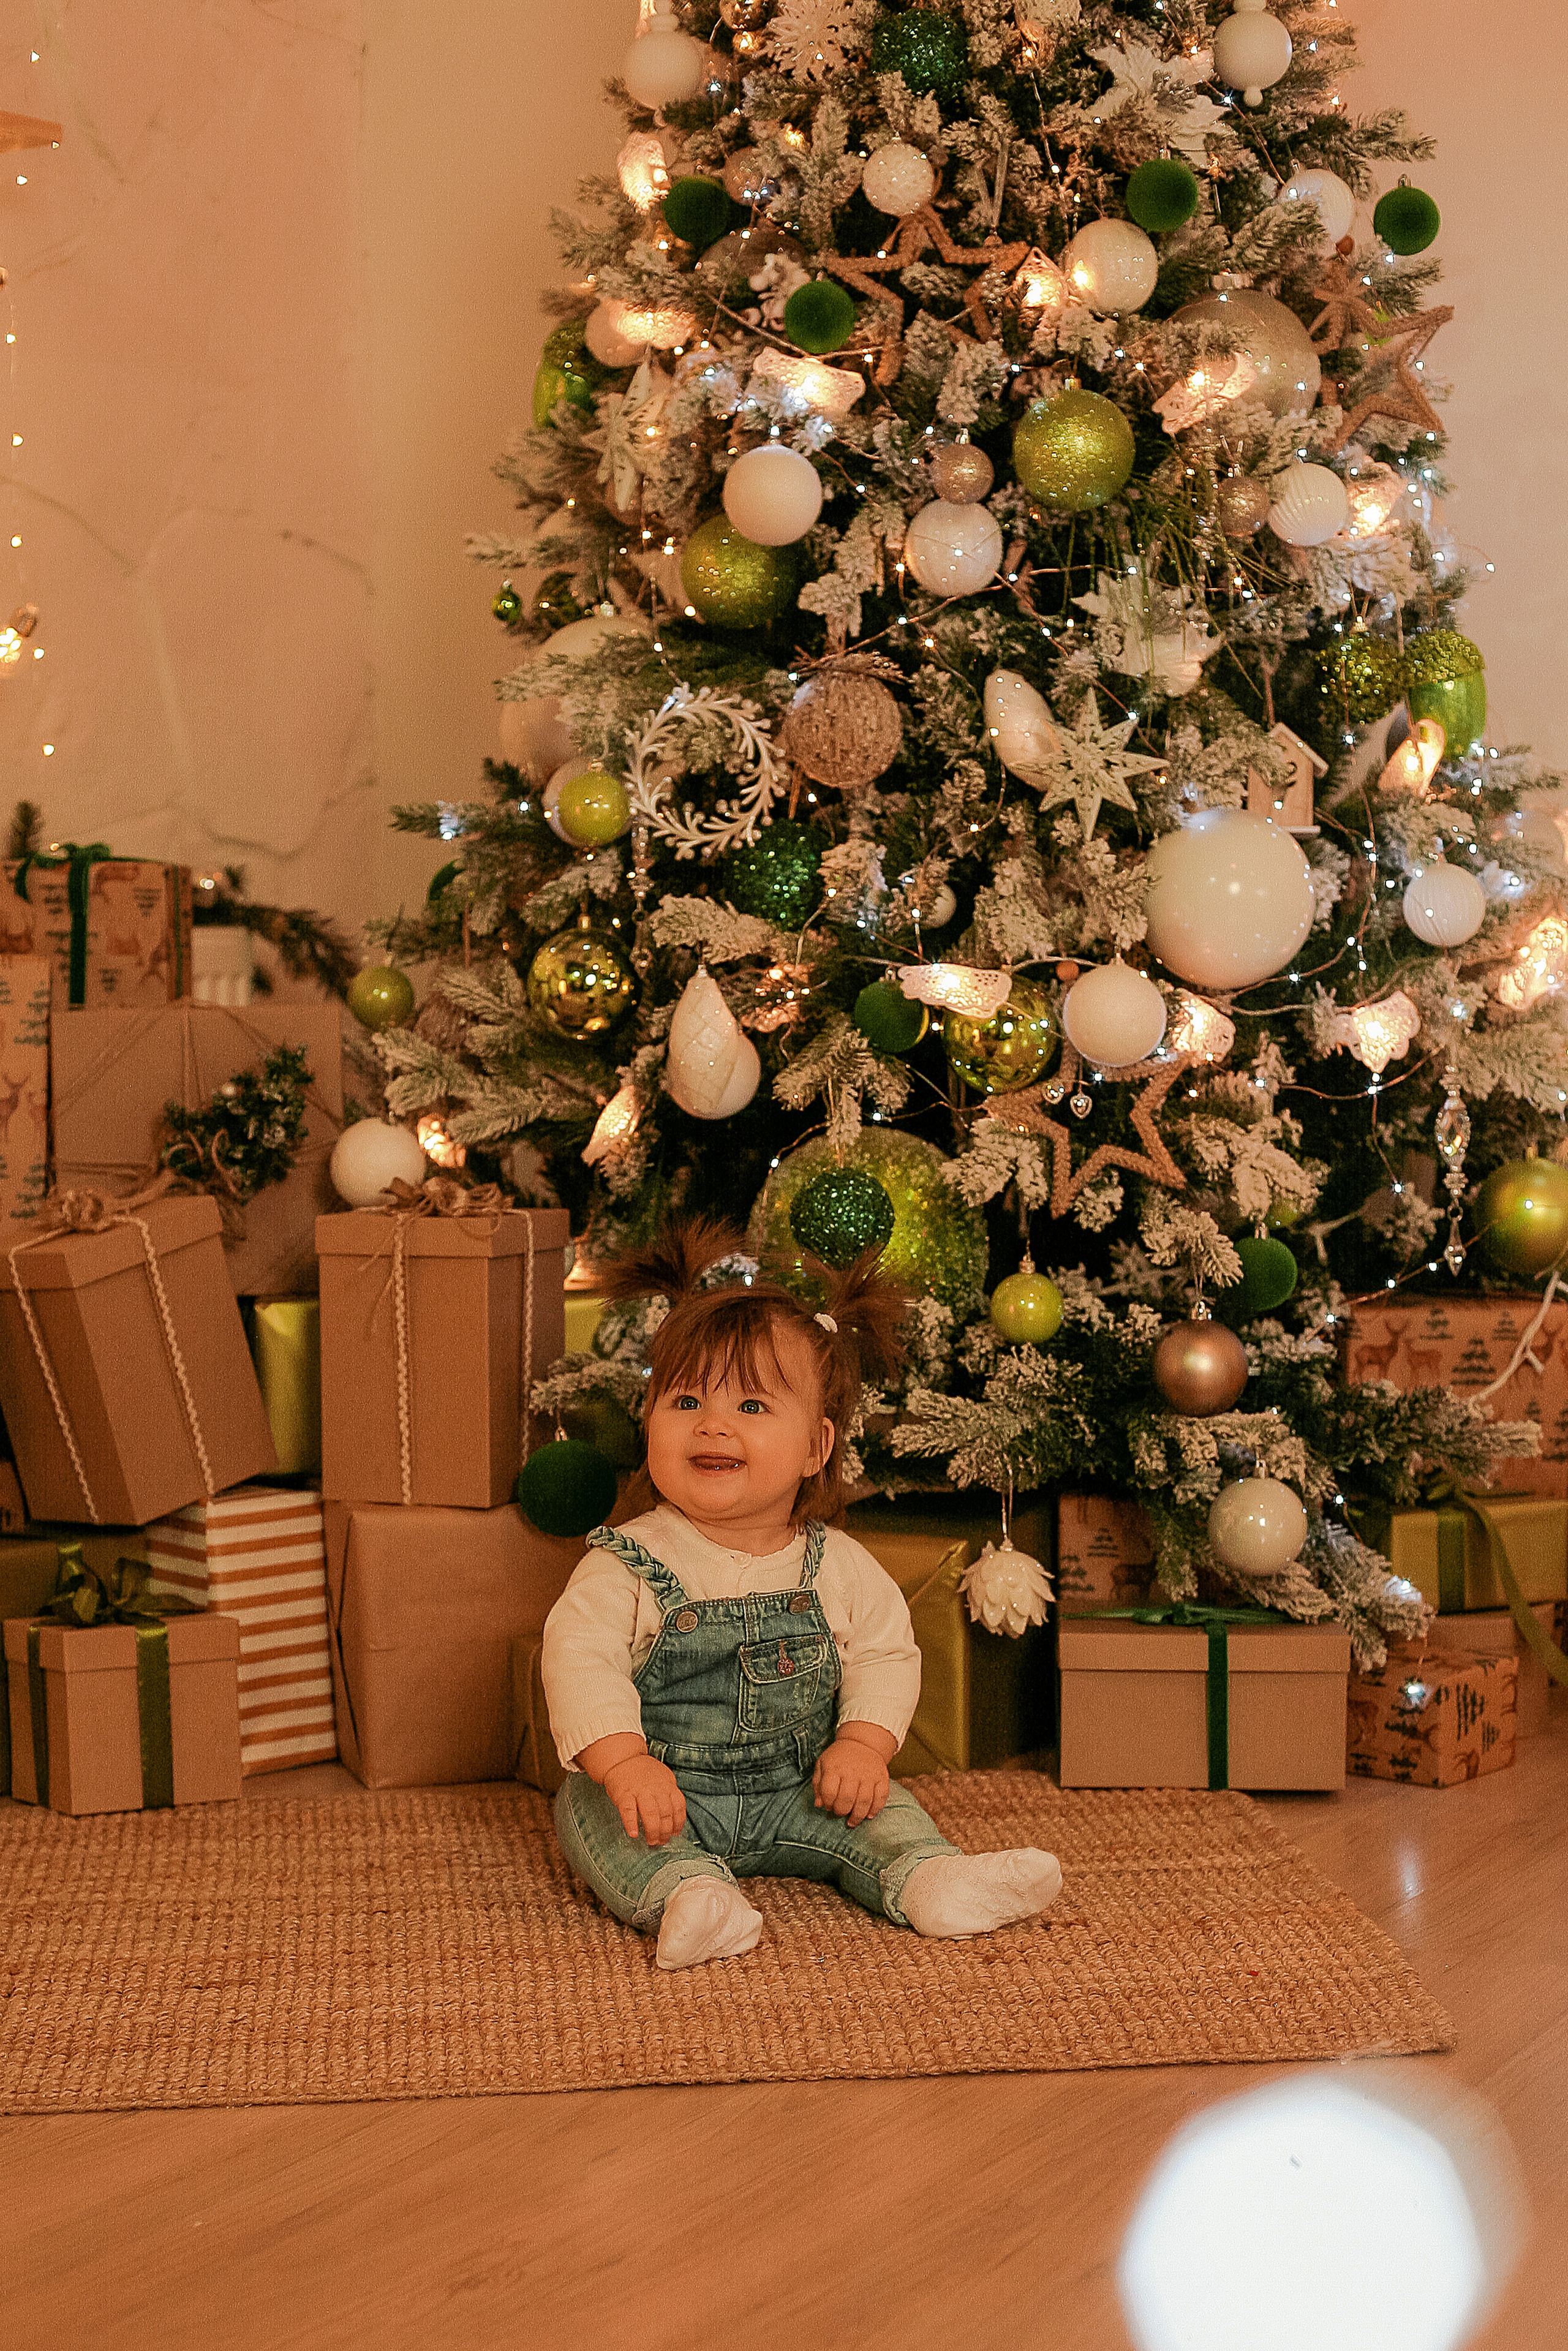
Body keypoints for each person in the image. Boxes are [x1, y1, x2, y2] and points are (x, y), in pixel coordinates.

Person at [542, 1219, 1062, 1971]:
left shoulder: (836, 1566)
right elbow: (579, 1659)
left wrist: (861, 1745)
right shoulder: (627, 1561)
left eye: (751, 1407)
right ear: (648, 1421)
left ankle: (926, 1878)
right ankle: (689, 1894)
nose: (712, 1423)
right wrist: (624, 1763)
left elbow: (887, 1652)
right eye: (684, 1401)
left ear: (816, 1448)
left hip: (803, 1785)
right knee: (590, 1812)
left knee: (883, 1812)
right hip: (665, 1792)